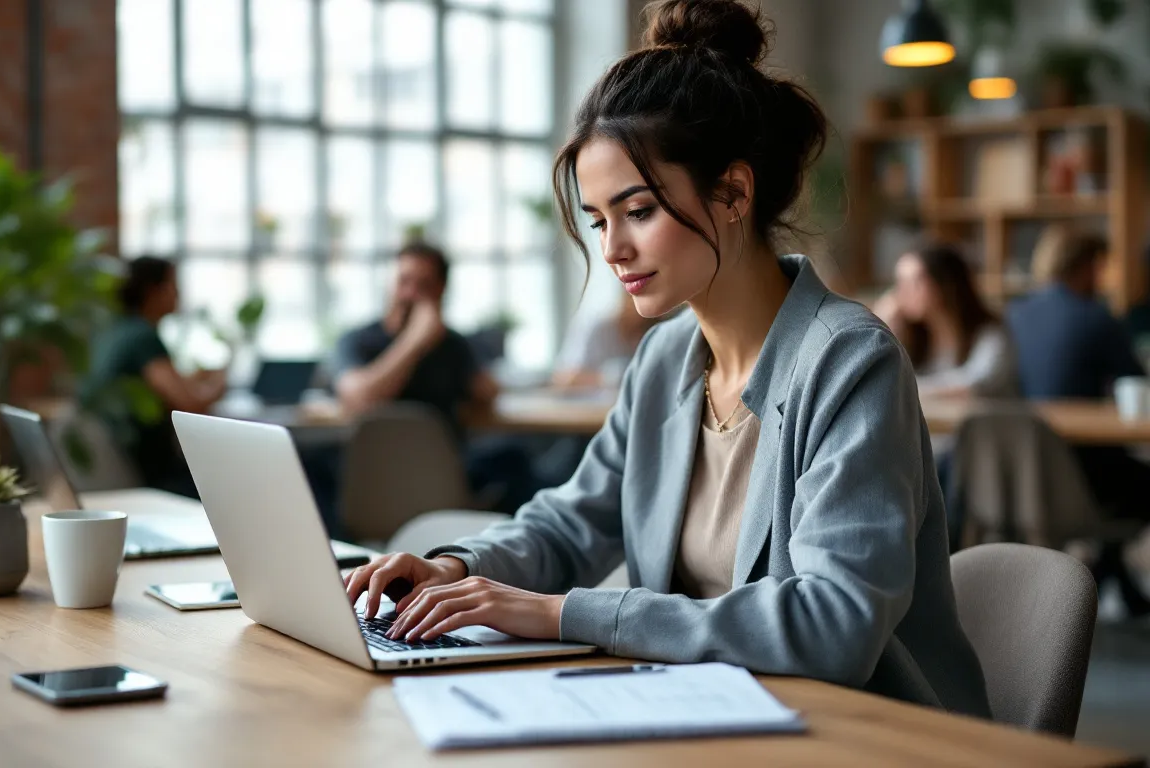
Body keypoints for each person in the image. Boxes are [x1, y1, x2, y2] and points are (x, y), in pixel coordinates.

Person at [344, 0, 990, 716]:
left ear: (733, 193)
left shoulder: (849, 362)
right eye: (598, 220)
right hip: (712, 712)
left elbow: (834, 624)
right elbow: (574, 523)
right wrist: (455, 568)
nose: (612, 248)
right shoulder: (664, 359)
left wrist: (561, 613)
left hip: (864, 732)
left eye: (639, 211)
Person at [331, 243, 535, 516]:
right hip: (375, 472)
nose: (410, 293)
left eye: (423, 285)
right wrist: (415, 341)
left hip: (443, 473)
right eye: (404, 281)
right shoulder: (358, 340)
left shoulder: (453, 345)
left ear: (440, 290)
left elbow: (487, 392)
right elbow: (358, 397)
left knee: (513, 457)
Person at [1007, 226, 1150, 616]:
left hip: (1021, 474)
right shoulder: (1095, 317)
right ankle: (1103, 572)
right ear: (1087, 266)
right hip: (1084, 475)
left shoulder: (1014, 315)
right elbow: (1135, 380)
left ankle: (1110, 575)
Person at [79, 256, 227, 498]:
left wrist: (195, 379)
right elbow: (190, 405)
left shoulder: (114, 330)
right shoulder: (143, 338)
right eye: (172, 285)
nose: (178, 293)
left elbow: (156, 386)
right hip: (153, 473)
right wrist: (220, 383)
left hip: (118, 460)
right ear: (152, 291)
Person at [874, 244, 1017, 399]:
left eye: (914, 283)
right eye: (900, 283)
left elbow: (976, 385)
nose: (902, 293)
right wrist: (885, 327)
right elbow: (880, 383)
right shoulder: (913, 336)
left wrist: (903, 387)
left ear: (945, 285)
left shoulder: (991, 335)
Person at [553, 294, 660, 392]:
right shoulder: (598, 327)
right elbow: (564, 378)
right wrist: (611, 378)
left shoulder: (653, 332)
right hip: (590, 405)